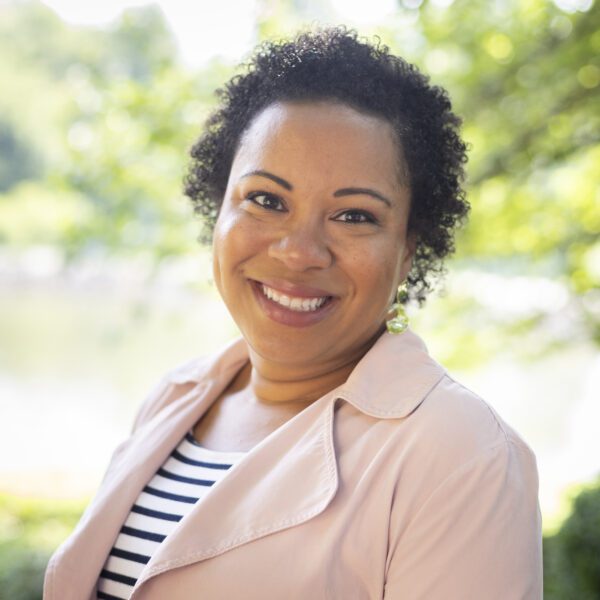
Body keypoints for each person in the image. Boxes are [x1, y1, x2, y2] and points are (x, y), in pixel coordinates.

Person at [44, 27, 542, 600]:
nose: (300, 252)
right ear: (219, 207)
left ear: (408, 250)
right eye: (267, 200)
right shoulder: (174, 397)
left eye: (354, 216)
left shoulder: (460, 452)